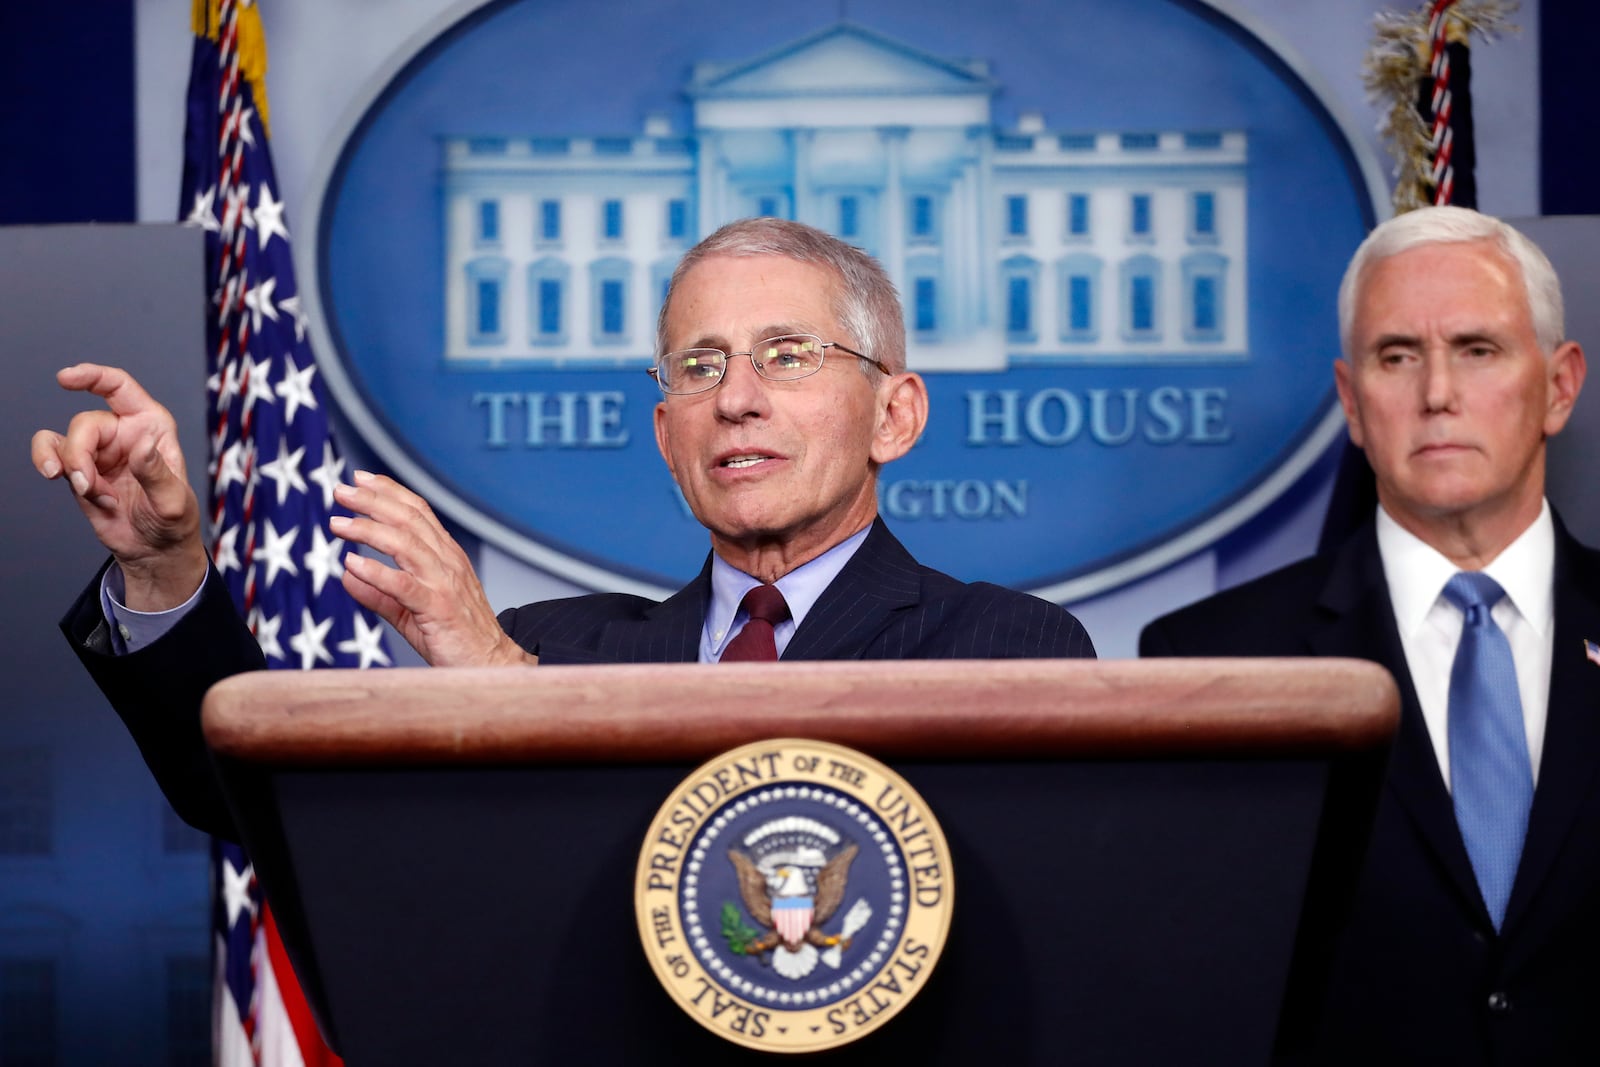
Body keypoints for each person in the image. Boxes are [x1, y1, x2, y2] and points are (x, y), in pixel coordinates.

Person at [35, 217, 1094, 838]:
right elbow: (271, 815)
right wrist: (168, 562)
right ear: (666, 432)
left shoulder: (1008, 646)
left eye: (787, 354)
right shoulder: (565, 641)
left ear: (894, 415)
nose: (736, 398)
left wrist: (501, 678)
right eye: (698, 365)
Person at [1140, 206, 1597, 1065]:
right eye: (1397, 356)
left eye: (1478, 349)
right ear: (1353, 402)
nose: (1436, 394)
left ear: (1560, 386)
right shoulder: (1214, 660)